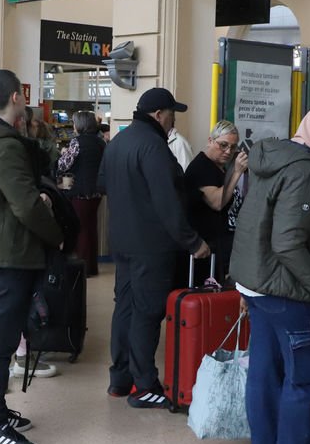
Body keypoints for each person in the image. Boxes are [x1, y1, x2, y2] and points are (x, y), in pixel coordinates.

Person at [230, 105, 310, 444]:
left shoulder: (274, 158)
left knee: (264, 377)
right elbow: (288, 243)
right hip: (290, 292)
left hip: (257, 285)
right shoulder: (308, 171)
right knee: (305, 382)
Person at [0, 69, 62, 444]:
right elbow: (25, 206)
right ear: (16, 97)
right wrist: (55, 235)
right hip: (8, 255)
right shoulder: (5, 146)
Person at [101, 87, 207, 409]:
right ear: (159, 114)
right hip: (151, 246)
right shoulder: (154, 147)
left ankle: (120, 380)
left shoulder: (118, 142)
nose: (173, 121)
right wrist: (193, 242)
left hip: (122, 242)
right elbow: (168, 204)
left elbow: (101, 184)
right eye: (172, 114)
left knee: (126, 308)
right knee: (147, 313)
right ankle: (145, 385)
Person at [182, 120, 247, 286]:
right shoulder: (202, 167)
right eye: (223, 145)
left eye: (233, 147)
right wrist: (237, 173)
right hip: (204, 248)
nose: (228, 151)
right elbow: (217, 202)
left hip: (218, 245)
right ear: (210, 141)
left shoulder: (219, 167)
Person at [56, 111, 105, 277]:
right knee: (91, 228)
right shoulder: (100, 142)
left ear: (80, 125)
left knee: (81, 229)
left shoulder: (76, 142)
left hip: (79, 192)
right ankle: (92, 266)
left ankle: (82, 268)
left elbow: (64, 165)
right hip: (96, 191)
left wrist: (62, 153)